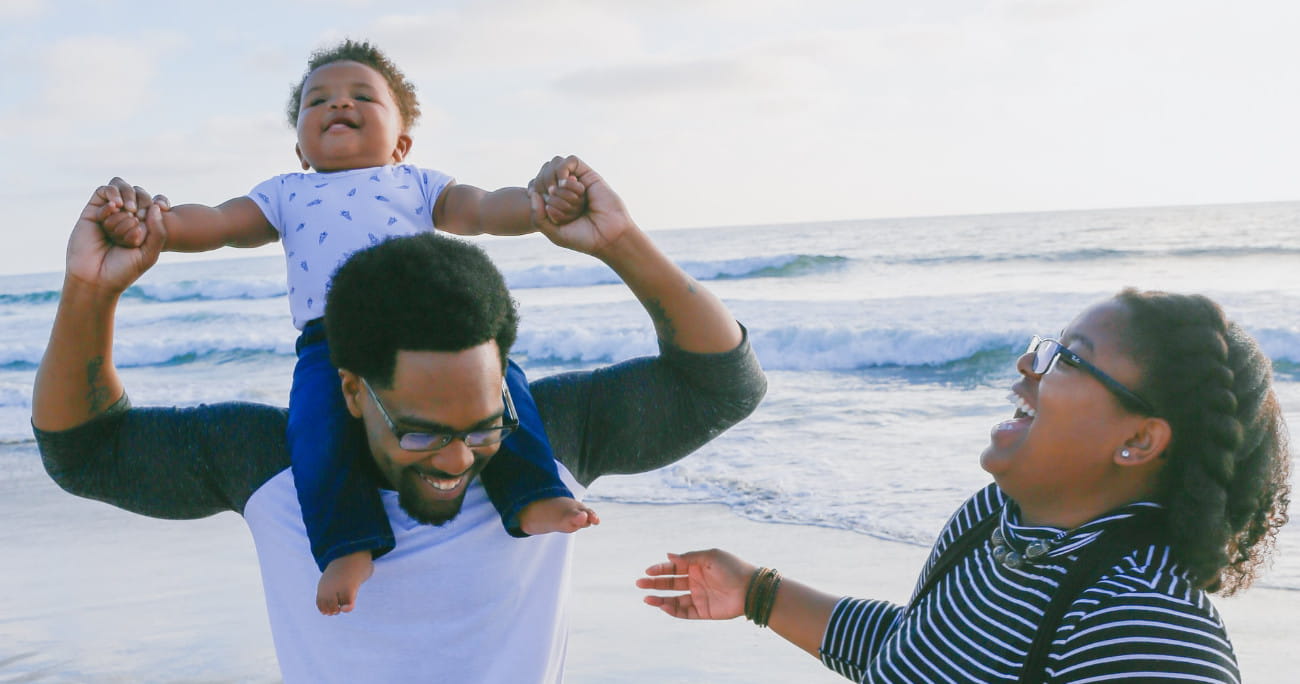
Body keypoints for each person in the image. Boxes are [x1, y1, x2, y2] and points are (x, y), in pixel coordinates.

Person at [34, 155, 767, 682]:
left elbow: (722, 384)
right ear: (351, 391)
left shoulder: (543, 439)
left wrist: (620, 242)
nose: (457, 459)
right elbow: (85, 452)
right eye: (420, 431)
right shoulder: (273, 465)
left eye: (483, 426)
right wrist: (89, 293)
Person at [95, 39, 595, 615]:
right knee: (314, 431)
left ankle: (534, 495)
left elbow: (483, 208)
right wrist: (154, 223)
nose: (338, 105)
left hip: (428, 330)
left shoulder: (418, 183)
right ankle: (347, 544)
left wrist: (538, 206)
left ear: (402, 143)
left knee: (504, 388)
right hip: (329, 343)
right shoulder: (286, 192)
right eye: (318, 101)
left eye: (362, 96)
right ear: (301, 149)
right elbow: (218, 223)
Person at [637, 291, 1290, 682]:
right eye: (1048, 345)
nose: (1029, 364)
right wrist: (757, 593)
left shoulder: (1144, 629)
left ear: (1140, 441)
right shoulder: (995, 521)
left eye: (1069, 357)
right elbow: (917, 653)